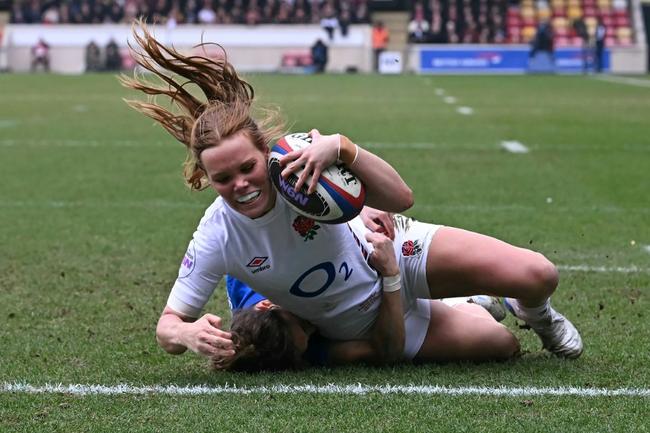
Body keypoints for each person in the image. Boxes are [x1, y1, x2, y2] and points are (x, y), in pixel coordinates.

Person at [121, 22, 582, 370]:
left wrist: (343, 147)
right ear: (203, 177)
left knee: (538, 274)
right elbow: (167, 326)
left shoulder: (299, 159)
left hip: (397, 247)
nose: (240, 184)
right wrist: (187, 333)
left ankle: (533, 310)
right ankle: (466, 305)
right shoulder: (216, 236)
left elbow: (401, 198)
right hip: (359, 318)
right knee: (500, 347)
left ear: (265, 152)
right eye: (223, 178)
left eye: (247, 168)